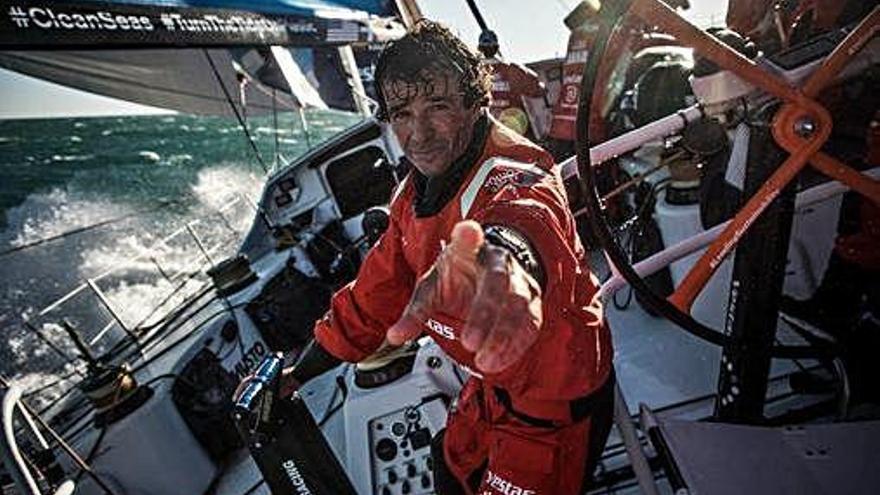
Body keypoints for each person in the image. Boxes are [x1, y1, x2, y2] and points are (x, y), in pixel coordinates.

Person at [245, 20, 614, 494]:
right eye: (402, 113)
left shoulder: (518, 176)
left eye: (437, 107)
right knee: (449, 468)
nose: (418, 134)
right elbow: (372, 296)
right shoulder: (413, 195)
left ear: (474, 101)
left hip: (551, 408)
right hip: (491, 390)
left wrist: (501, 266)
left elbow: (521, 224)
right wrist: (301, 373)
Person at [477, 30, 546, 140]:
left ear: (479, 48)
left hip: (486, 134)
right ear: (496, 48)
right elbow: (539, 90)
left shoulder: (474, 73)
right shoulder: (513, 70)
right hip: (513, 133)